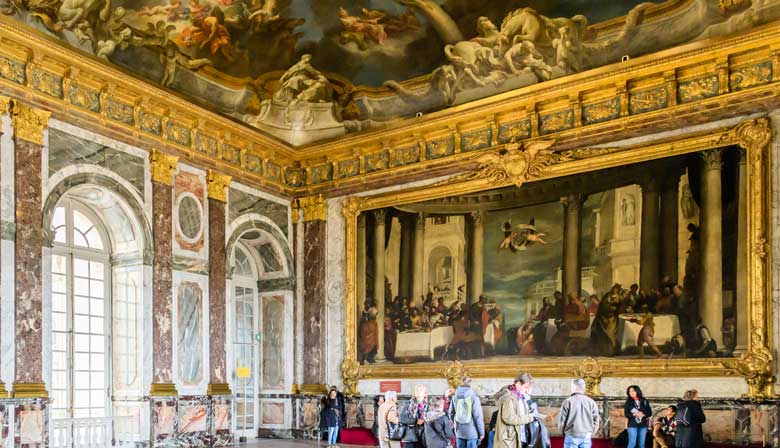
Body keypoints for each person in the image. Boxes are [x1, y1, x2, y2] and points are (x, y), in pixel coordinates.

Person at [492, 373, 536, 448]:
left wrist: (541, 417)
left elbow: (528, 413)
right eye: (525, 387)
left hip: (520, 436)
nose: (527, 390)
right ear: (518, 384)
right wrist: (530, 418)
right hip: (508, 440)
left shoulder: (522, 397)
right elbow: (510, 419)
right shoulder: (508, 398)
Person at [558, 379, 601, 448]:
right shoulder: (591, 402)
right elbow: (596, 420)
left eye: (572, 386)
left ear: (575, 387)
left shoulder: (568, 401)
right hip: (586, 436)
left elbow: (561, 421)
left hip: (571, 435)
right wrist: (591, 433)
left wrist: (565, 433)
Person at [449, 376, 485, 448]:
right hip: (472, 432)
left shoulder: (454, 397)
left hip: (459, 432)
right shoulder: (474, 397)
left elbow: (451, 413)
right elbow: (478, 417)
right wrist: (481, 433)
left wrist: (456, 425)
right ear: (470, 385)